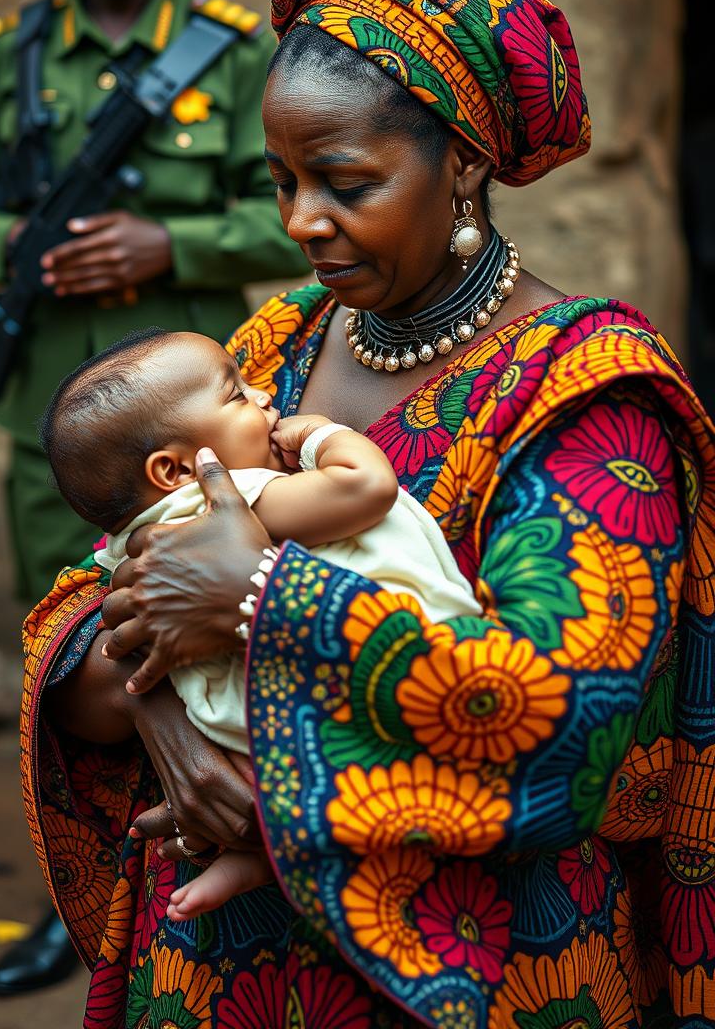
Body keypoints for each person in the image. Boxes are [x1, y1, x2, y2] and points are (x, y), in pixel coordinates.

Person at [20, 0, 715, 1027]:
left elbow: (570, 723)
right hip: (223, 971)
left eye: (344, 181)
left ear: (466, 161)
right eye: (283, 179)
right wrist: (173, 724)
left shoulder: (585, 393)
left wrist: (257, 598)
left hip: (463, 970)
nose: (301, 222)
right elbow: (93, 580)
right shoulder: (276, 344)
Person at [0, 0, 306, 996]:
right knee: (73, 646)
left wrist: (166, 247)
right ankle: (77, 896)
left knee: (211, 637)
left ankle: (239, 864)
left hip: (199, 424)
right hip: (60, 420)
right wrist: (24, 251)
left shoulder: (237, 54)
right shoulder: (14, 56)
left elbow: (289, 211)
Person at [39, 324, 481, 918]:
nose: (267, 396)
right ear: (172, 471)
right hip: (349, 698)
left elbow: (97, 613)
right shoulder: (236, 497)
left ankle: (255, 856)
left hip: (242, 733)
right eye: (238, 395)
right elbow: (365, 487)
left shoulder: (136, 536)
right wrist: (322, 437)